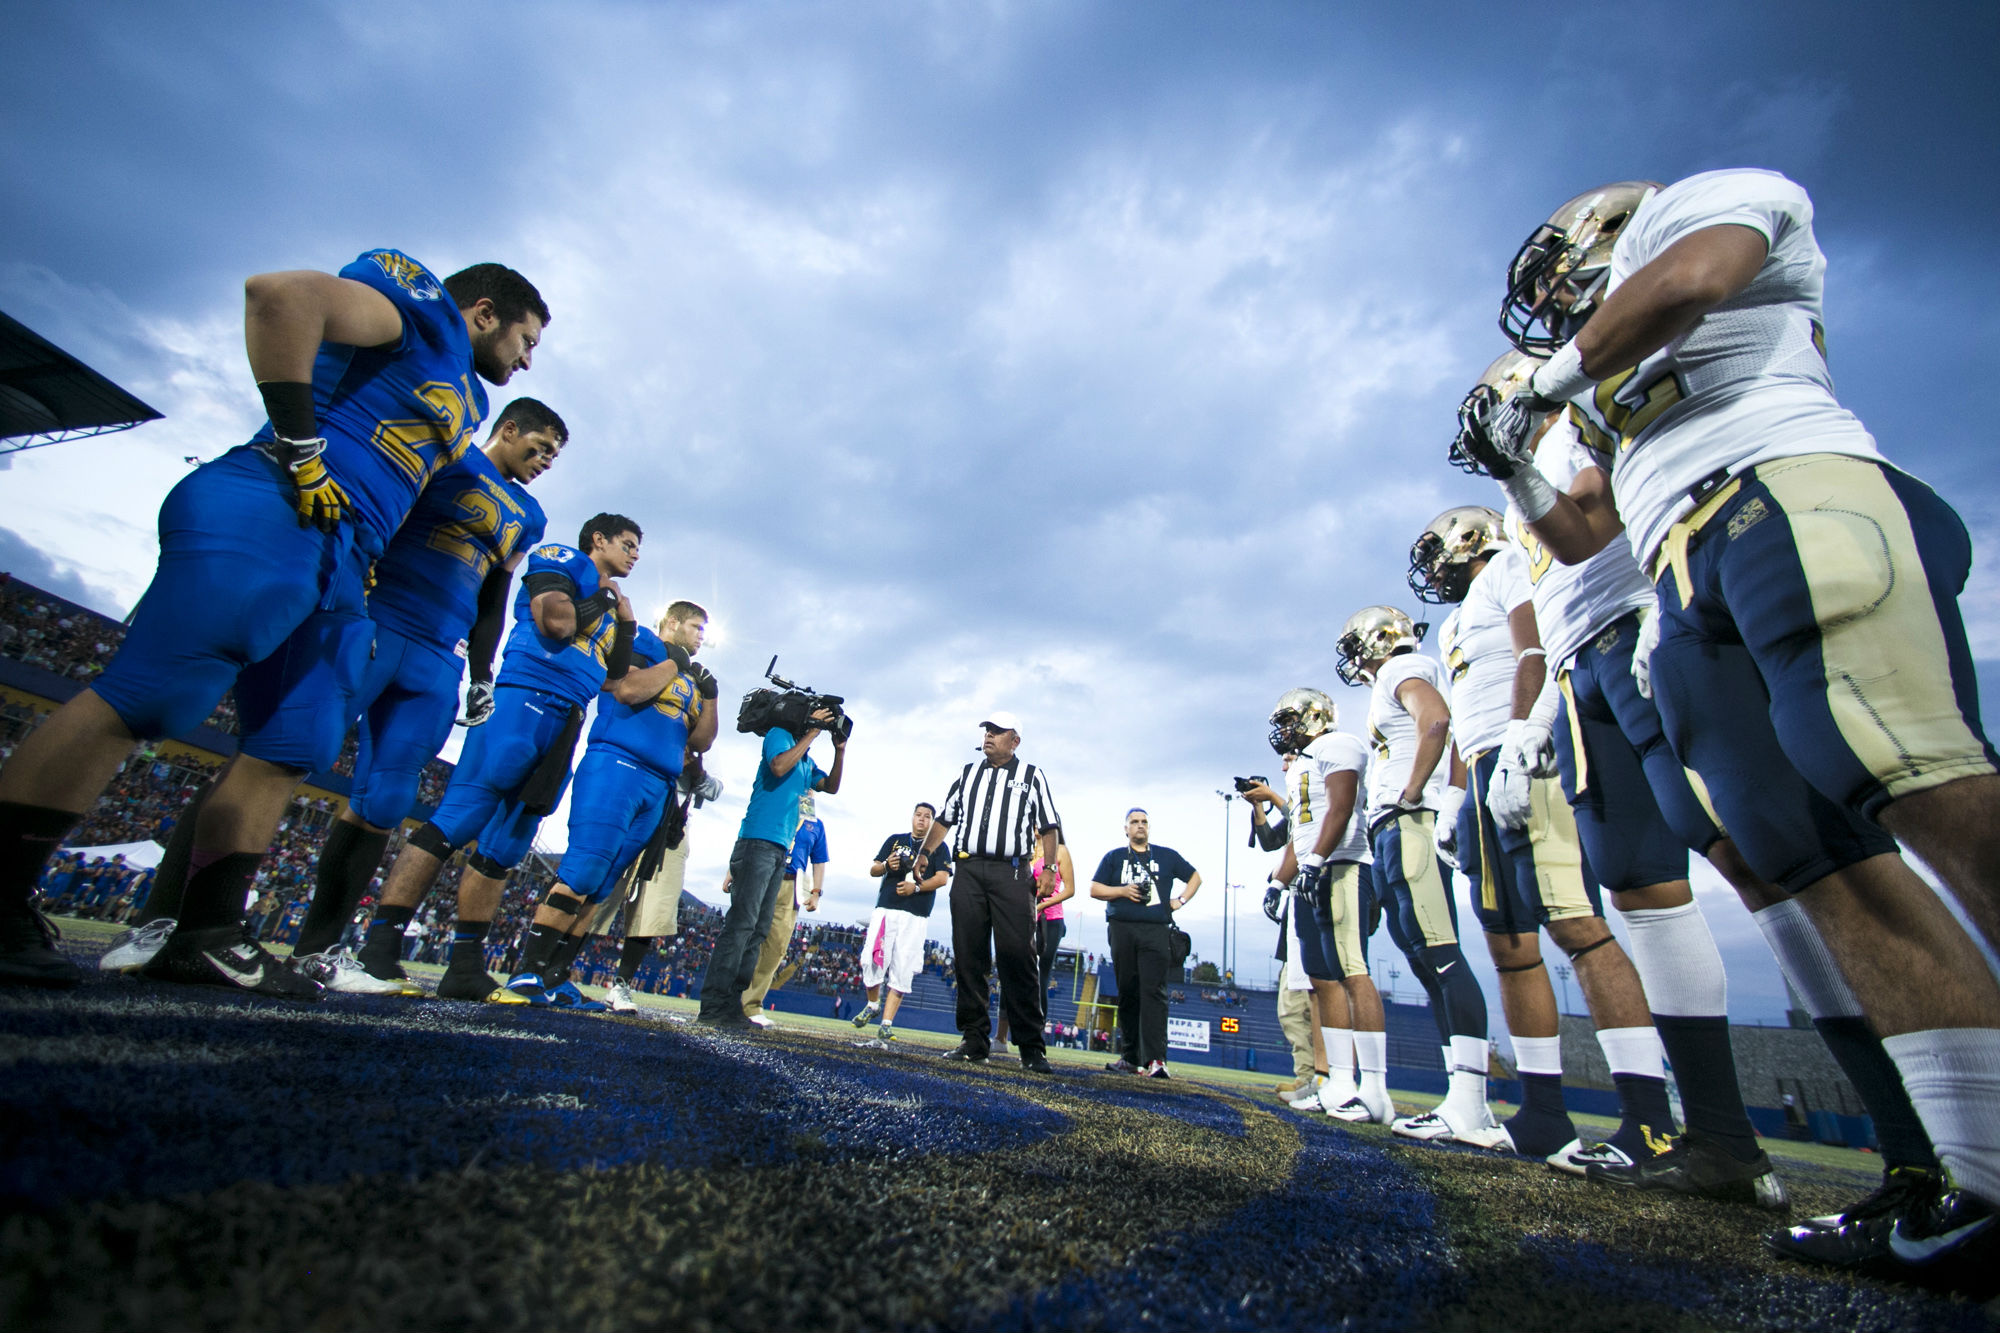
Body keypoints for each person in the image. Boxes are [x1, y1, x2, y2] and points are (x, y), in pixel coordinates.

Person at [1465, 170, 2000, 1283]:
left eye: (1563, 269)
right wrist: (1520, 463)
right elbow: (1580, 534)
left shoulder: (1706, 208)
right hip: (1683, 565)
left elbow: (1696, 277)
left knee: (1930, 787)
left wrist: (1552, 380)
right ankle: (1972, 1170)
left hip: (1786, 490)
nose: (1555, 298)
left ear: (1606, 233)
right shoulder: (1607, 403)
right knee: (1802, 857)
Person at [0, 252, 547, 992]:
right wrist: (300, 444)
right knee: (151, 697)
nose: (527, 358)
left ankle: (209, 932)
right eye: (526, 339)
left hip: (345, 556)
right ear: (485, 312)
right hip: (278, 501)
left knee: (295, 742)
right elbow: (281, 296)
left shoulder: (468, 404)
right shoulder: (417, 310)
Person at [1466, 354, 1833, 1205]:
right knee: (1639, 886)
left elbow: (1602, 525)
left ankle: (1931, 1144)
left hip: (1645, 629)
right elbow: (1562, 585)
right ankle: (1717, 1137)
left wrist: (1660, 611)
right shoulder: (1532, 483)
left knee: (1763, 852)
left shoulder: (1591, 414)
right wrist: (1540, 719)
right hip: (1580, 666)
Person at [287, 397, 568, 993]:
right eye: (539, 446)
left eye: (553, 455)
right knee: (281, 753)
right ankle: (179, 921)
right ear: (509, 428)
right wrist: (340, 601)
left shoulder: (529, 515)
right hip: (375, 620)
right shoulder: (451, 457)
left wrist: (483, 672)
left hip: (440, 652)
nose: (544, 460)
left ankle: (320, 951)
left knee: (388, 798)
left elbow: (493, 594)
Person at [352, 514, 643, 1002]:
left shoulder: (614, 602)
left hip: (569, 713)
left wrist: (627, 625)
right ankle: (378, 948)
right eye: (629, 544)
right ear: (599, 539)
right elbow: (556, 621)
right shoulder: (562, 558)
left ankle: (464, 966)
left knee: (506, 845)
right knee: (458, 818)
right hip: (525, 697)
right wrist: (604, 599)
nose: (635, 554)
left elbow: (614, 678)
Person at [1334, 605, 1503, 1147]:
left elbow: (1437, 722)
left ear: (1377, 641)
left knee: (1440, 950)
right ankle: (1463, 1095)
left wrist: (1412, 796)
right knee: (1425, 956)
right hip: (1400, 821)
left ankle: (1472, 1104)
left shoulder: (1397, 670)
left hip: (1409, 819)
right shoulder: (1404, 672)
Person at [504, 602, 718, 1008]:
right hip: (617, 765)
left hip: (658, 784)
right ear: (672, 622)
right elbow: (627, 689)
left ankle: (556, 974)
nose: (701, 636)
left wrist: (710, 698)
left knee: (603, 887)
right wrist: (674, 664)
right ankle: (525, 971)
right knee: (584, 868)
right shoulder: (644, 644)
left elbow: (700, 742)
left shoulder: (693, 676)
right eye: (695, 627)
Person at [1264, 689, 1392, 1124]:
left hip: (1344, 866)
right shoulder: (1300, 763)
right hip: (1311, 873)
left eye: (1289, 720)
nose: (1282, 730)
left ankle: (1374, 1088)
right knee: (1321, 978)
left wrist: (1316, 863)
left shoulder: (1338, 745)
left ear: (1314, 717)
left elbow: (1340, 810)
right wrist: (1280, 882)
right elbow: (1301, 832)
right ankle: (1339, 1081)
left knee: (1352, 971)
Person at [915, 711, 1061, 1072]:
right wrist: (925, 854)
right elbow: (945, 818)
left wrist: (1051, 868)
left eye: (998, 731)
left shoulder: (1031, 776)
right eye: (987, 730)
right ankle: (974, 1039)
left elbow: (1049, 825)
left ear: (1015, 741)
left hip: (1011, 872)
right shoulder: (967, 774)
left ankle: (1030, 1046)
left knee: (1017, 954)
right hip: (969, 869)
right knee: (968, 954)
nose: (989, 735)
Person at [695, 705, 845, 1026]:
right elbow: (778, 767)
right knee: (741, 926)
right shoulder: (779, 737)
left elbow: (830, 786)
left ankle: (733, 1004)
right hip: (757, 841)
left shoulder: (805, 760)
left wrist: (840, 749)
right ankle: (713, 1005)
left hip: (779, 849)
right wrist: (812, 733)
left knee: (759, 930)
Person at [597, 758, 723, 1014]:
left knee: (651, 910)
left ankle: (621, 984)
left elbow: (714, 790)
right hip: (631, 809)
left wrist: (697, 772)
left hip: (671, 827)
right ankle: (555, 967)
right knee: (596, 892)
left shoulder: (699, 745)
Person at [1090, 809, 1200, 1079]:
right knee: (1127, 992)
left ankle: (1156, 1060)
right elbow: (1094, 889)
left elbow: (1195, 876)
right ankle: (1130, 1058)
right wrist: (1122, 891)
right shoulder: (1114, 857)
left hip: (1155, 930)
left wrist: (1180, 900)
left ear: (1149, 827)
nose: (1140, 826)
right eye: (1134, 822)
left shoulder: (1166, 855)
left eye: (1144, 822)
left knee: (1154, 993)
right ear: (1125, 829)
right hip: (1122, 928)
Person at [854, 801, 952, 1041]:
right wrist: (888, 865)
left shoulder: (939, 847)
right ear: (912, 817)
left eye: (927, 816)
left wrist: (915, 888)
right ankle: (872, 1004)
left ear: (932, 822)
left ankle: (886, 1023)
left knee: (903, 966)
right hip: (886, 908)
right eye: (918, 815)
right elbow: (874, 869)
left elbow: (942, 878)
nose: (922, 820)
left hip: (916, 914)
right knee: (872, 958)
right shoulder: (895, 840)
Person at [742, 803, 830, 1026]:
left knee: (776, 946)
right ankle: (727, 997)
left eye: (812, 789)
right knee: (744, 937)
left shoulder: (815, 825)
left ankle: (752, 1005)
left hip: (791, 886)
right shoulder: (777, 808)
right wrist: (732, 871)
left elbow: (818, 861)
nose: (808, 793)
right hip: (763, 876)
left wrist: (816, 892)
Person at [996, 827, 1075, 1054]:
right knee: (1009, 972)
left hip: (1049, 921)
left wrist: (1040, 905)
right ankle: (1000, 1037)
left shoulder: (1060, 851)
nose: (1037, 825)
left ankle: (1034, 1039)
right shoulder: (1022, 848)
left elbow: (1070, 890)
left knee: (1039, 977)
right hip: (1019, 917)